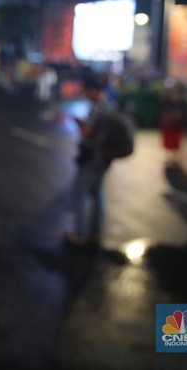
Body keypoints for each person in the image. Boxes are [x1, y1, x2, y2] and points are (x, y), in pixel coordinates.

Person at [67, 78, 115, 246]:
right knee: (97, 193)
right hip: (105, 157)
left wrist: (79, 123)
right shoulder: (109, 106)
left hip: (92, 156)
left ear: (93, 90)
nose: (86, 94)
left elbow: (87, 133)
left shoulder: (96, 108)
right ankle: (97, 231)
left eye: (87, 91)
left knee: (81, 193)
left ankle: (80, 233)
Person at [160, 82, 187, 167]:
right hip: (169, 126)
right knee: (169, 143)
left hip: (177, 126)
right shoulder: (167, 102)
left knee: (176, 143)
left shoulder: (182, 103)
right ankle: (169, 158)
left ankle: (176, 159)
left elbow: (185, 114)